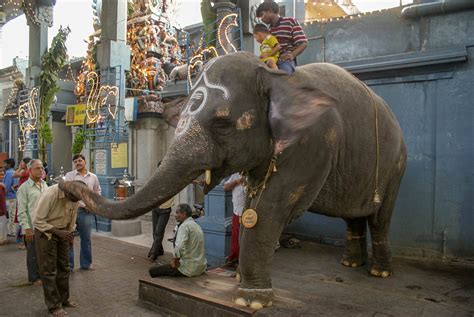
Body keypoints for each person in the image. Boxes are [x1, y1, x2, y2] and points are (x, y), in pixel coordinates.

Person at [32, 181, 84, 316]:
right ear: (67, 192)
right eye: (74, 199)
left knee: (64, 267)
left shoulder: (75, 195)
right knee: (49, 270)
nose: (76, 201)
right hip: (46, 233)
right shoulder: (51, 194)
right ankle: (54, 306)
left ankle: (64, 299)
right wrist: (58, 232)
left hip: (64, 232)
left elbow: (73, 217)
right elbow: (37, 220)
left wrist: (70, 233)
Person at [64, 154, 101, 271]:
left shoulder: (93, 177)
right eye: (75, 162)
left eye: (80, 161)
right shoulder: (69, 176)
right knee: (69, 238)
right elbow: (67, 192)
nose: (78, 163)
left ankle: (86, 264)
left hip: (86, 212)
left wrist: (93, 205)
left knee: (86, 238)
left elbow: (97, 191)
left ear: (85, 162)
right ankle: (69, 266)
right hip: (71, 211)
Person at [149, 204, 206, 278]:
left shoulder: (184, 226)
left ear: (184, 214)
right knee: (167, 264)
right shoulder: (196, 225)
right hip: (200, 267)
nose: (175, 215)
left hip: (188, 269)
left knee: (152, 271)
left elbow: (179, 247)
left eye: (177, 213)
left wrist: (175, 262)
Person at [17, 159, 47, 286]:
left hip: (45, 225)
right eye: (37, 168)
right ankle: (34, 277)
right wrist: (27, 228)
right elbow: (22, 210)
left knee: (44, 252)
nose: (41, 170)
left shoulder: (45, 185)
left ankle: (43, 274)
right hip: (32, 226)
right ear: (30, 170)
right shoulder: (24, 188)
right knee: (33, 253)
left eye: (41, 168)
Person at [256, 1, 308, 74]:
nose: (261, 19)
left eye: (262, 15)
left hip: (284, 60)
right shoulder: (268, 30)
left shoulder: (290, 21)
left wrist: (292, 55)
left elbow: (303, 43)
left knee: (283, 78)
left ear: (270, 11)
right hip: (270, 59)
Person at [223, 173, 245, 267]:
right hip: (237, 211)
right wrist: (236, 182)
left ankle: (243, 260)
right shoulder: (236, 175)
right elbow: (226, 187)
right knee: (235, 236)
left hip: (248, 213)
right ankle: (233, 258)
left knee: (244, 237)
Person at [2, 158, 18, 238]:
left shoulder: (9, 173)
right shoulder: (13, 172)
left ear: (9, 164)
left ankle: (11, 231)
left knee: (11, 215)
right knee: (12, 214)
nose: (3, 165)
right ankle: (11, 230)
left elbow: (6, 187)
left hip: (9, 197)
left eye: (4, 164)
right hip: (12, 196)